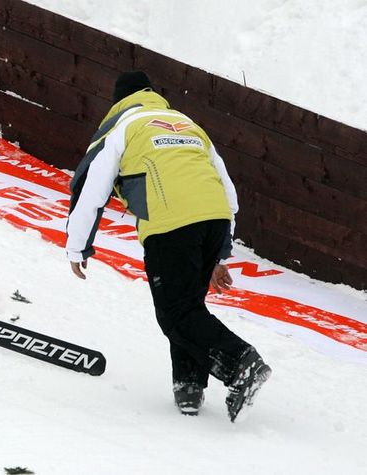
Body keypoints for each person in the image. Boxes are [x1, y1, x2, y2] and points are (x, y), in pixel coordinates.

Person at [65, 71, 271, 421]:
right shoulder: (188, 124)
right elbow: (228, 191)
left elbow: (91, 189)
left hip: (171, 222)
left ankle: (242, 363)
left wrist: (77, 246)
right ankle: (189, 390)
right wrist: (220, 252)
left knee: (176, 314)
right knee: (189, 306)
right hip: (215, 216)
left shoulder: (121, 127)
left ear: (119, 101)